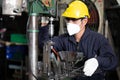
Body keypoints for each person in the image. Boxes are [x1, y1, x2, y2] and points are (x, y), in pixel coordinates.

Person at [39, 0, 118, 80]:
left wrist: (97, 61)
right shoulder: (64, 40)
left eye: (74, 19)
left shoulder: (98, 39)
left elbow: (113, 61)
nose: (69, 23)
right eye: (68, 19)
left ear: (84, 21)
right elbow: (45, 45)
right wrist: (45, 24)